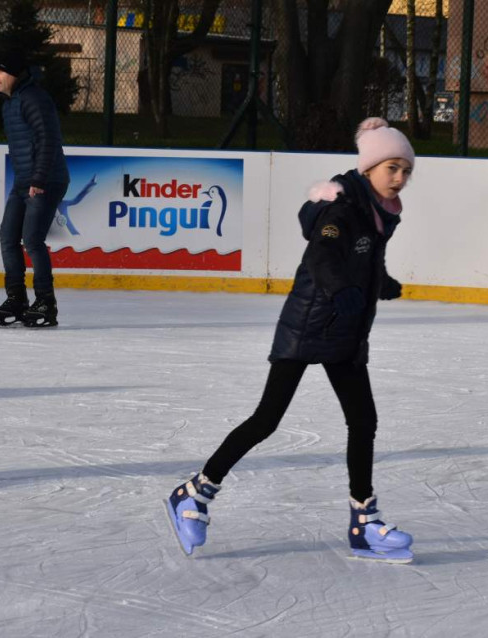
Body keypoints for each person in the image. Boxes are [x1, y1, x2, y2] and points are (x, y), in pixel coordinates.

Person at [166, 117, 416, 563]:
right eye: (391, 168)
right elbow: (324, 257)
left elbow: (357, 260)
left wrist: (379, 281)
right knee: (267, 419)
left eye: (405, 170)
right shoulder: (342, 208)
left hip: (344, 328)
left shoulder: (377, 211)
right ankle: (193, 493)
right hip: (309, 324)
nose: (398, 178)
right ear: (369, 167)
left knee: (364, 421)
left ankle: (363, 521)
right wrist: (344, 290)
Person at [0, 48, 70, 328]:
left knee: (32, 239)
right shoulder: (10, 103)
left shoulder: (34, 99)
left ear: (13, 73)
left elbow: (48, 140)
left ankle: (46, 302)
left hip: (47, 180)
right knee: (7, 236)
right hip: (25, 181)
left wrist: (38, 179)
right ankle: (17, 299)